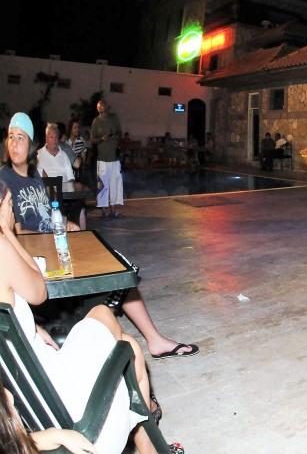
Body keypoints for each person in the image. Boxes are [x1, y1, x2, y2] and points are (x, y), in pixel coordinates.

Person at [2, 114, 199, 361]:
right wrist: (52, 235)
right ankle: (106, 319)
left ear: (30, 144)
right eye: (11, 137)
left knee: (117, 265)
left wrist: (64, 223)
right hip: (37, 259)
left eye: (21, 137)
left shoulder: (36, 177)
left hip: (57, 245)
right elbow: (15, 234)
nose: (14, 143)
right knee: (110, 274)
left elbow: (49, 214)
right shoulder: (5, 180)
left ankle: (154, 340)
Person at [0, 187, 172, 454]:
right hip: (74, 415)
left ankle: (150, 435)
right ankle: (150, 427)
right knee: (120, 335)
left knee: (122, 338)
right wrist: (8, 232)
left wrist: (29, 326)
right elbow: (39, 290)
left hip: (31, 397)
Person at [36, 123, 87, 229]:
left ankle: (82, 236)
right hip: (47, 199)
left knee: (80, 209)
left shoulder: (63, 155)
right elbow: (38, 180)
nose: (54, 140)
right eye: (51, 137)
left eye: (56, 137)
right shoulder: (38, 155)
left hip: (65, 199)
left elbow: (71, 178)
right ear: (46, 138)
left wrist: (71, 193)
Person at [89, 100, 123, 219]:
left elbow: (120, 132)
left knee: (115, 184)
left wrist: (115, 137)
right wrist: (102, 139)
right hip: (102, 158)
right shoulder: (96, 121)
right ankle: (104, 210)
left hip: (114, 158)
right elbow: (92, 140)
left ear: (106, 106)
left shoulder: (114, 118)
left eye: (102, 106)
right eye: (98, 107)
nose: (100, 108)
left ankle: (113, 209)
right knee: (102, 185)